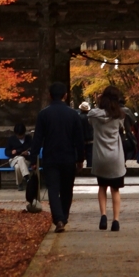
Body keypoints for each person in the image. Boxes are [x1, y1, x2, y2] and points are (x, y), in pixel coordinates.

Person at [29, 83, 85, 233]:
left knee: (53, 189)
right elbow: (79, 139)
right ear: (65, 95)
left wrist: (33, 159)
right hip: (68, 157)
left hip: (50, 157)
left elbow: (38, 139)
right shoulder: (73, 114)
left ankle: (58, 218)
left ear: (49, 95)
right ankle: (64, 217)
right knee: (67, 189)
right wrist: (80, 158)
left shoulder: (44, 114)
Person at [88, 85, 126, 231]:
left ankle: (103, 215)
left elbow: (90, 118)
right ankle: (116, 220)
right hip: (115, 157)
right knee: (115, 189)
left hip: (100, 157)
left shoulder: (94, 116)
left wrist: (98, 102)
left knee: (102, 187)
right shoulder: (120, 116)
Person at [4, 122, 33, 189]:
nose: (20, 137)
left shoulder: (29, 139)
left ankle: (19, 184)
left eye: (21, 135)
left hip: (26, 160)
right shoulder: (11, 139)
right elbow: (6, 152)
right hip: (14, 159)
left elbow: (33, 150)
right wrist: (12, 152)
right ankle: (27, 178)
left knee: (17, 166)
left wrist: (28, 153)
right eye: (18, 136)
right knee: (20, 158)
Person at [78, 101, 94, 167]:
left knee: (80, 153)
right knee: (90, 155)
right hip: (91, 139)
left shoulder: (78, 117)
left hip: (81, 139)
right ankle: (89, 167)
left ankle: (79, 165)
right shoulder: (91, 117)